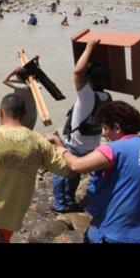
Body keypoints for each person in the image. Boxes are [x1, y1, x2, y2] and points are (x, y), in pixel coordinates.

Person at [47, 101, 140, 243]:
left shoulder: (114, 149)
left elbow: (76, 165)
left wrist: (60, 147)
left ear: (116, 128)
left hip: (110, 235)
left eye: (105, 128)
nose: (105, 134)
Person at [0, 94, 73, 243]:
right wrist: (59, 143)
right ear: (24, 114)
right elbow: (68, 170)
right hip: (13, 212)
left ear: (0, 112)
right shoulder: (40, 142)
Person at [47, 38, 112, 214]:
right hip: (92, 145)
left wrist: (90, 47)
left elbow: (77, 72)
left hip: (75, 144)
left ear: (89, 78)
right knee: (75, 172)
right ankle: (69, 199)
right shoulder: (107, 97)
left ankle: (61, 204)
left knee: (61, 171)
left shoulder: (87, 95)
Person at [2, 65, 38, 130]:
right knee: (28, 131)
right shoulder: (32, 85)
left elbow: (5, 81)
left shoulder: (20, 87)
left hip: (24, 115)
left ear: (18, 77)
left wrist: (12, 73)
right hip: (32, 113)